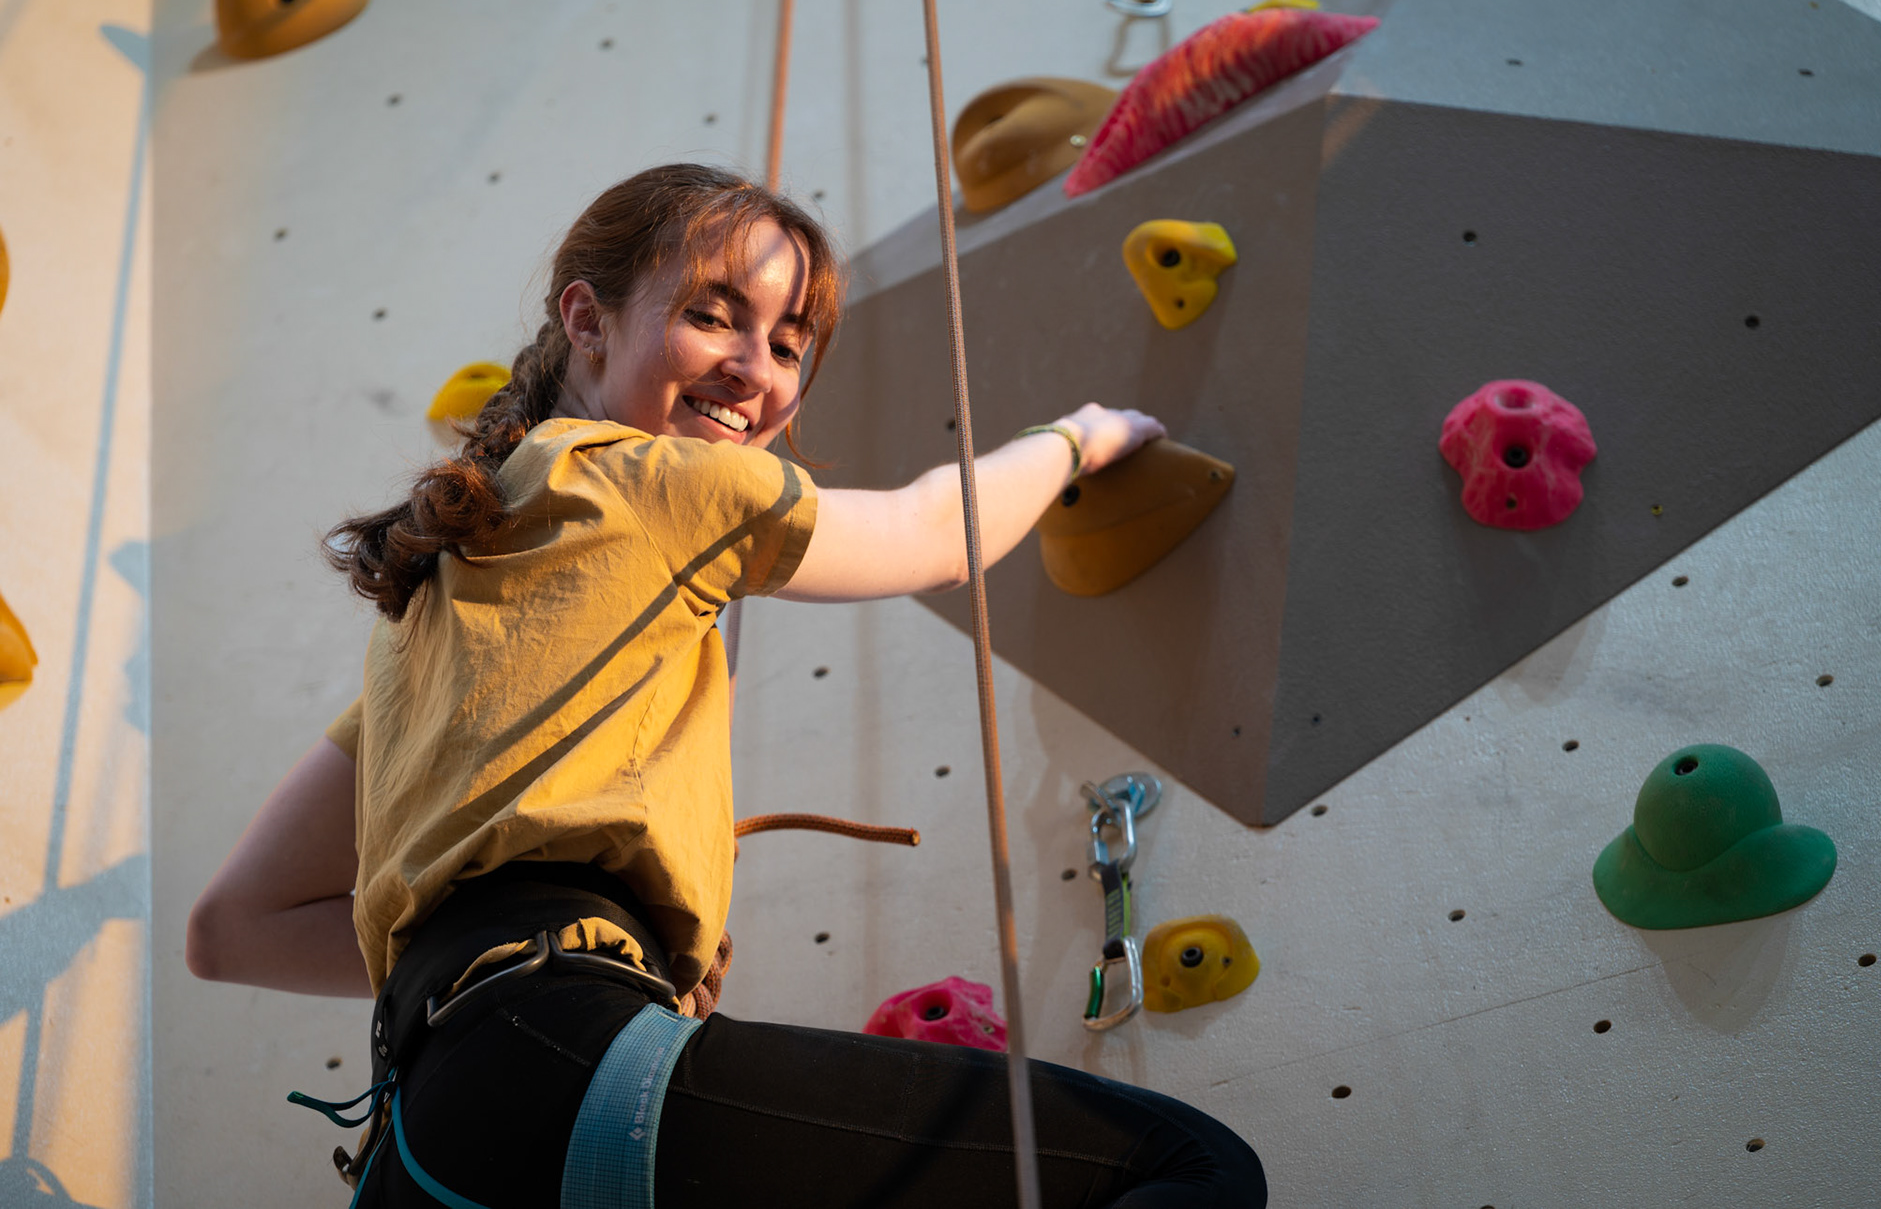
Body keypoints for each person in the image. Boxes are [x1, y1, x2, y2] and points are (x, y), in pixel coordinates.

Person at [186, 163, 1266, 1208]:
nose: (758, 369)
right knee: (1181, 1164)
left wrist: (469, 954)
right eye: (715, 315)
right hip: (564, 1053)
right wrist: (1080, 437)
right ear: (588, 317)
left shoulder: (428, 621)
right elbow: (936, 531)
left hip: (432, 1133)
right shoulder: (645, 475)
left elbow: (235, 925)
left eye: (790, 343)